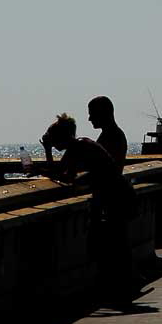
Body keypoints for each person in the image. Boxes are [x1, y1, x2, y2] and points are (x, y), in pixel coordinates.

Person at [40, 113, 137, 307]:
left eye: (54, 139)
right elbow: (67, 173)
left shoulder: (79, 146)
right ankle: (122, 286)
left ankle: (120, 287)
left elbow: (63, 175)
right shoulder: (81, 145)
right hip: (117, 195)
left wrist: (47, 151)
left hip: (115, 197)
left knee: (108, 243)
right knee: (113, 243)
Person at [88, 96, 128, 173]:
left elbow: (104, 170)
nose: (89, 119)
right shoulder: (114, 134)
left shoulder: (112, 137)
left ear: (102, 113)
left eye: (92, 114)